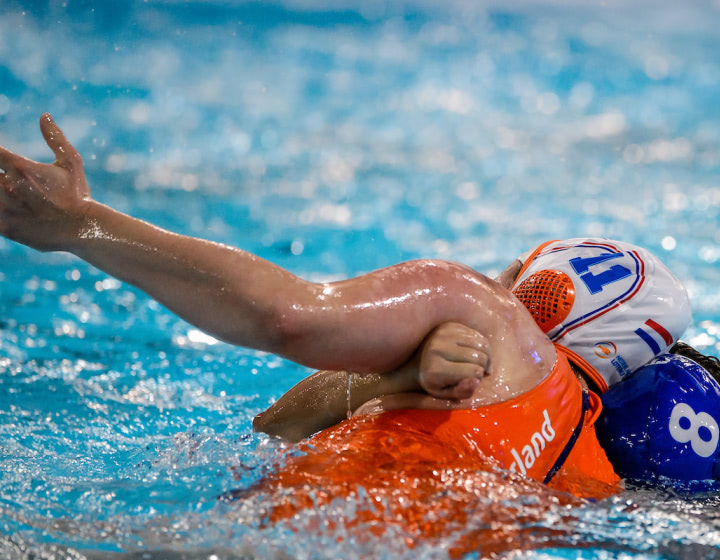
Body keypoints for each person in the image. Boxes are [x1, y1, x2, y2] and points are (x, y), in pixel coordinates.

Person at [0, 115, 692, 495]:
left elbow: (283, 320)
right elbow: (276, 425)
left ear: (545, 291)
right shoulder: (590, 481)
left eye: (516, 271)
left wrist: (81, 224)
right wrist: (395, 379)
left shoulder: (486, 313)